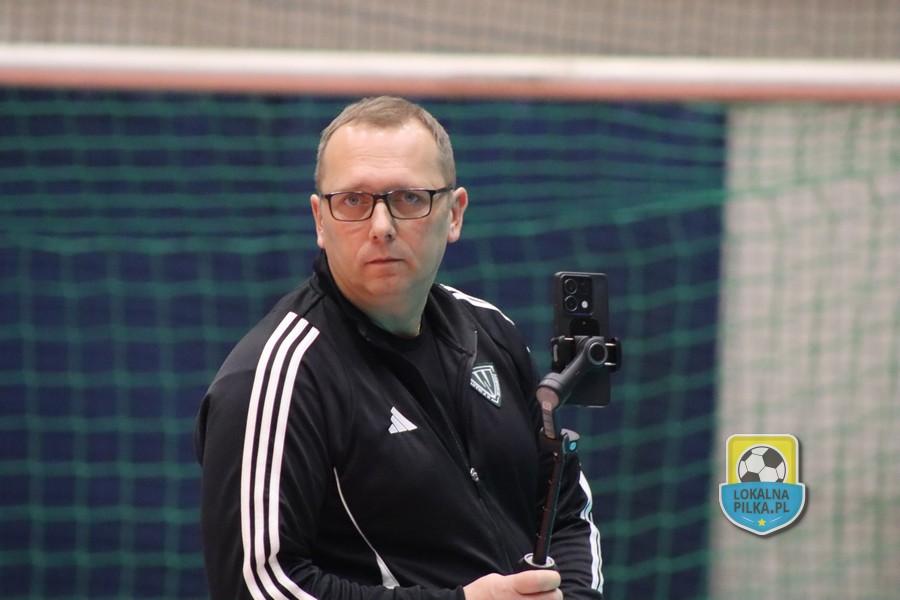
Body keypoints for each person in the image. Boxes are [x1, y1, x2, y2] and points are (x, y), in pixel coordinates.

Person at [194, 96, 604, 600]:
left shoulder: (491, 330)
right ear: (320, 220)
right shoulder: (275, 376)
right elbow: (256, 588)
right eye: (353, 201)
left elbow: (564, 510)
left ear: (454, 214)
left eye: (409, 198)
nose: (382, 226)